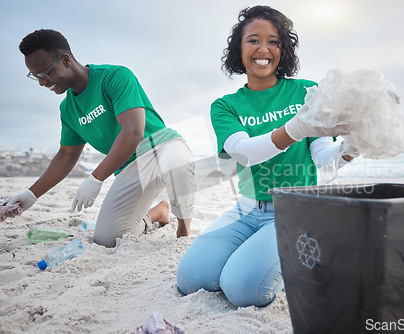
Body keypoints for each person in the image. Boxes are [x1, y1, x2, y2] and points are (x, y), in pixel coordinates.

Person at [176, 5, 355, 308]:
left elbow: (325, 158)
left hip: (296, 211)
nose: (264, 49)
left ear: (283, 49)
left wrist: (353, 146)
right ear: (239, 48)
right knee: (192, 278)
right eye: (253, 40)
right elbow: (243, 153)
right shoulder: (225, 106)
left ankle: (307, 250)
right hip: (247, 211)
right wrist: (295, 127)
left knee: (244, 289)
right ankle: (267, 250)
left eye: (273, 41)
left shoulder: (307, 92)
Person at [5, 29, 196, 247]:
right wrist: (31, 194)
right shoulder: (68, 109)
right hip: (129, 168)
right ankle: (159, 213)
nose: (42, 82)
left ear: (65, 60)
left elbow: (133, 131)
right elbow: (66, 155)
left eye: (44, 73)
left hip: (161, 148)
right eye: (36, 76)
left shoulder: (115, 76)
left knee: (179, 164)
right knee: (107, 238)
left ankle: (183, 228)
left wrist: (96, 178)